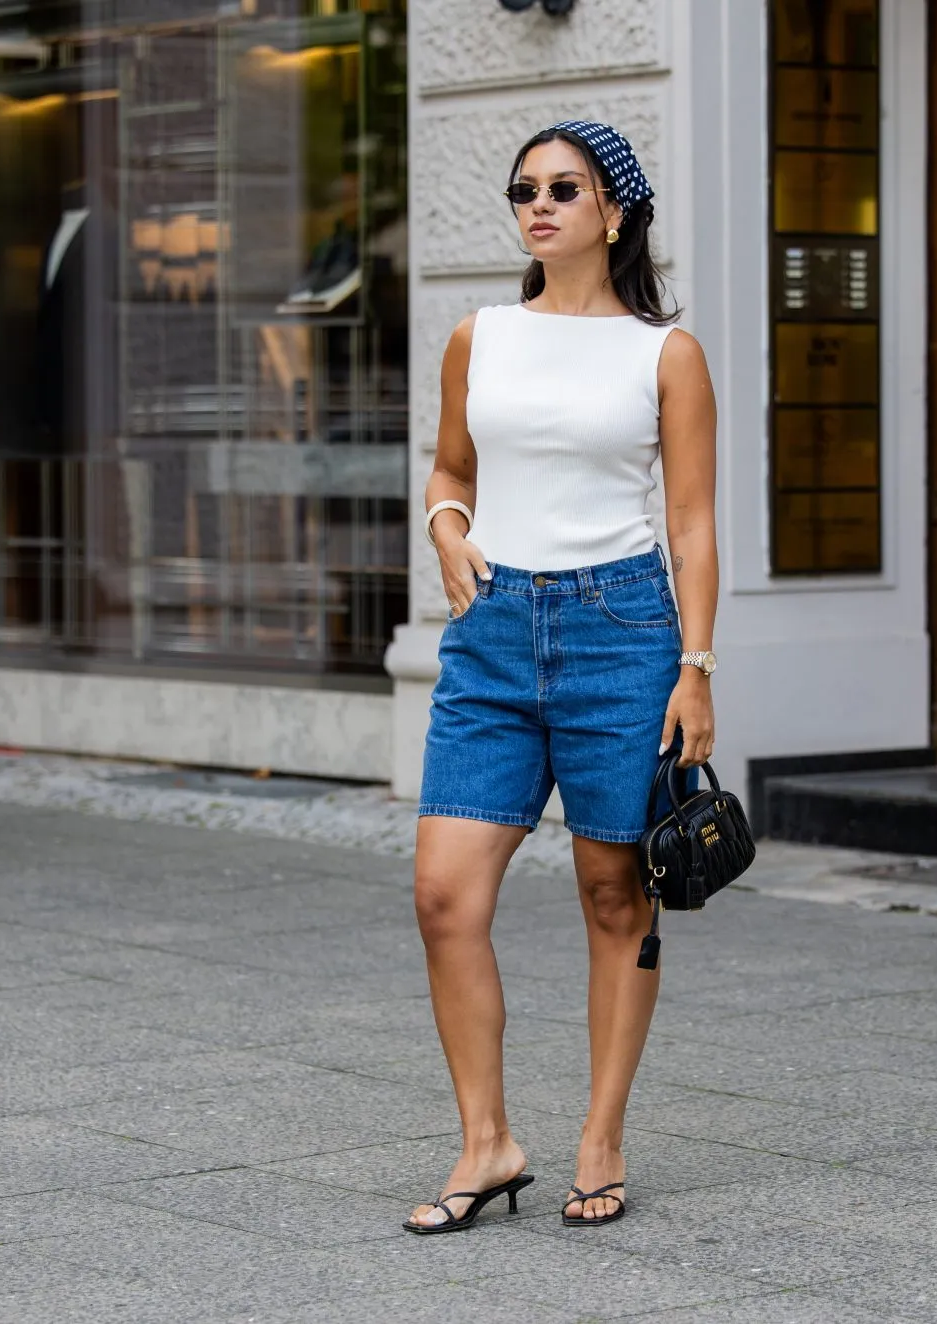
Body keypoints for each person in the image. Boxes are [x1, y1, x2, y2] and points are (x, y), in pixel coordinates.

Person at [404, 121, 720, 1233]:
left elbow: (690, 523)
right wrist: (447, 525)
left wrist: (694, 666)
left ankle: (600, 1136)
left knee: (610, 894)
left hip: (619, 630)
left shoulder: (662, 355)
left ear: (614, 212)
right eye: (523, 190)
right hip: (492, 635)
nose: (537, 205)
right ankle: (486, 1141)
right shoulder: (476, 336)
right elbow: (451, 465)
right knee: (444, 894)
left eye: (563, 189)